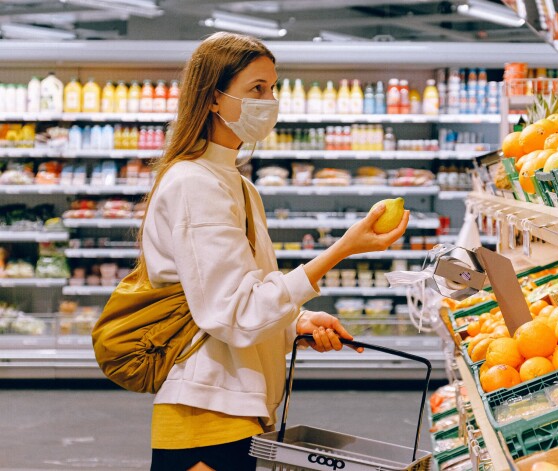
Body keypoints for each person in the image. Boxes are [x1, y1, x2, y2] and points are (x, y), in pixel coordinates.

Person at [137, 32, 409, 471]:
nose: (270, 100)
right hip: (206, 414)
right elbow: (233, 312)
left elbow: (245, 296)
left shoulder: (237, 185)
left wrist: (293, 323)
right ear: (212, 98)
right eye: (256, 89)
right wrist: (342, 249)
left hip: (238, 409)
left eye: (273, 87)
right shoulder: (195, 184)